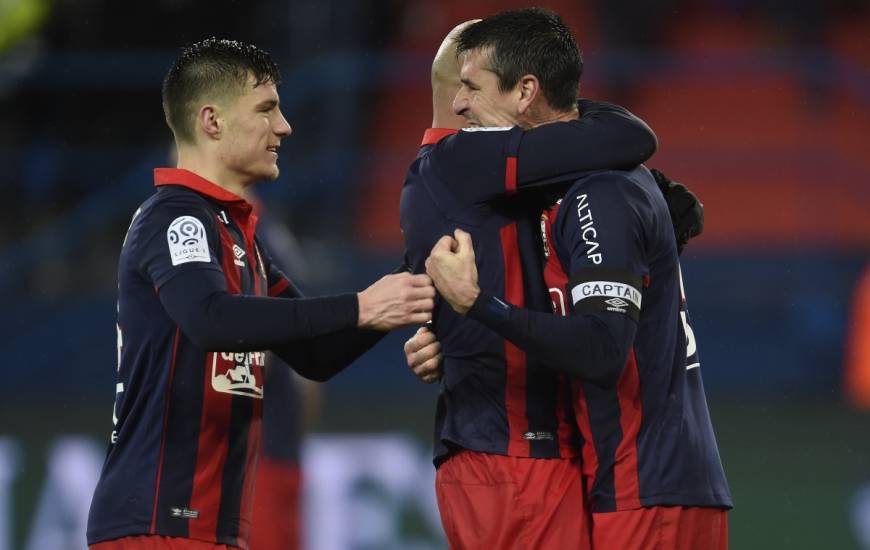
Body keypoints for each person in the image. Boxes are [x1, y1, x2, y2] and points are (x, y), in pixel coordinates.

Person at [86, 38, 434, 550]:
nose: (284, 126)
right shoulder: (175, 217)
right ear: (212, 121)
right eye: (266, 109)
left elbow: (314, 355)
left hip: (214, 529)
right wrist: (363, 305)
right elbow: (210, 319)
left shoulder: (240, 238)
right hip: (158, 524)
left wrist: (408, 282)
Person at [421, 11, 732, 549]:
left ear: (525, 92)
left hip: (648, 485)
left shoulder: (599, 192)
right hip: (630, 481)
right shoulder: (578, 186)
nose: (458, 105)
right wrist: (457, 341)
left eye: (471, 86)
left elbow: (602, 349)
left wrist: (479, 305)